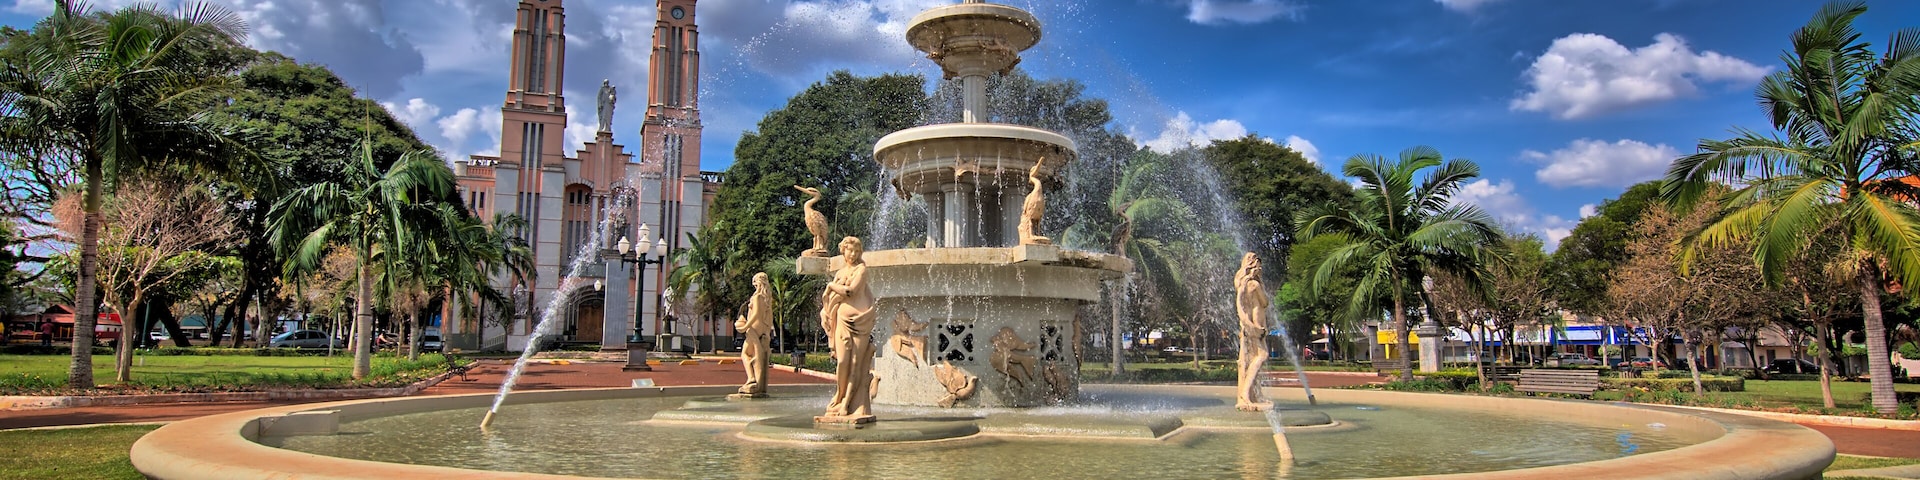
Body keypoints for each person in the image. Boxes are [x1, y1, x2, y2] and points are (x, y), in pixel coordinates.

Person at [819, 236, 877, 422]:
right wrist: (825, 311)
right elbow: (830, 300)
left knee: (856, 363)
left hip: (860, 321)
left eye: (856, 251)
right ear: (843, 251)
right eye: (849, 250)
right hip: (842, 320)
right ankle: (839, 395)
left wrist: (830, 285)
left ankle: (847, 403)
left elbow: (851, 291)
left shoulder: (861, 270)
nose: (853, 254)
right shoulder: (841, 272)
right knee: (843, 361)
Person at [1234, 252, 1270, 411]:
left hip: (1250, 326)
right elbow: (1265, 302)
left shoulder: (1243, 284)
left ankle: (1254, 394)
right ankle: (1245, 394)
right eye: (1258, 267)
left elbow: (1241, 304)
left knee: (1249, 359)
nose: (1260, 270)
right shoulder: (1254, 285)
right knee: (1262, 356)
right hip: (1256, 326)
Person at [734, 272, 773, 397]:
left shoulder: (756, 298)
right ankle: (758, 383)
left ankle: (751, 378)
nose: (754, 284)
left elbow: (755, 314)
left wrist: (746, 326)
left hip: (754, 326)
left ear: (758, 282)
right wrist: (767, 331)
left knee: (745, 353)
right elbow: (770, 316)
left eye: (755, 282)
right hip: (762, 327)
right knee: (755, 352)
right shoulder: (767, 298)